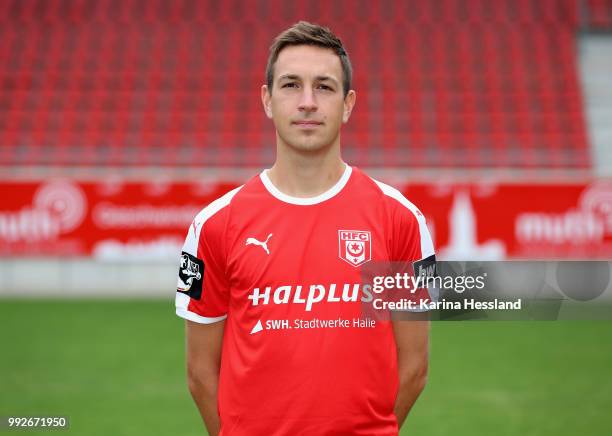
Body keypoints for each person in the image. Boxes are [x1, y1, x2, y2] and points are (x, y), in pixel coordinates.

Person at [175, 21, 434, 436]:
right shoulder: (215, 225)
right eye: (291, 85)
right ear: (267, 99)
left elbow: (415, 368)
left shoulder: (399, 220)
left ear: (348, 104)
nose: (308, 102)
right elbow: (200, 374)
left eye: (325, 87)